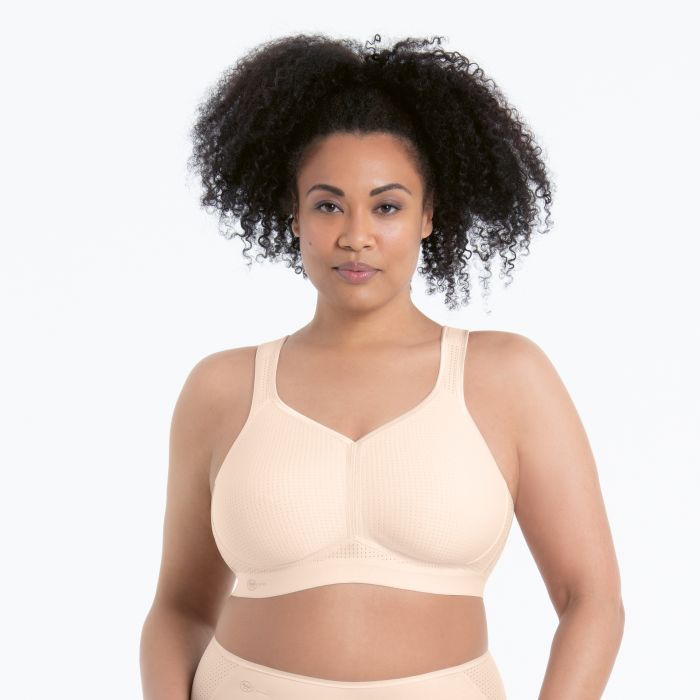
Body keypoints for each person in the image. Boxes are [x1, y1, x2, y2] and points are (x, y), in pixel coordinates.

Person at [140, 33, 625, 700]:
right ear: (293, 214)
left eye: (387, 206)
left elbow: (590, 599)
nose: (356, 235)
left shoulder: (507, 378)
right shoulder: (222, 389)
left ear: (429, 214)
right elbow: (180, 610)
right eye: (328, 204)